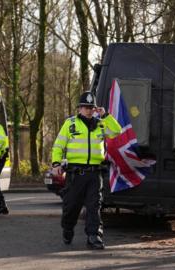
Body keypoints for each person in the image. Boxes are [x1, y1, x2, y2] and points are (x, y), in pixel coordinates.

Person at [51, 92, 121, 250]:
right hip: (76, 174)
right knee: (71, 207)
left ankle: (94, 236)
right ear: (79, 108)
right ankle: (67, 228)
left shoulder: (101, 124)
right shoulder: (70, 124)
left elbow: (117, 131)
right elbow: (58, 146)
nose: (88, 110)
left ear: (95, 109)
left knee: (94, 206)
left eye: (91, 107)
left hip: (95, 174)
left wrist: (106, 115)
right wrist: (56, 164)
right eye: (85, 107)